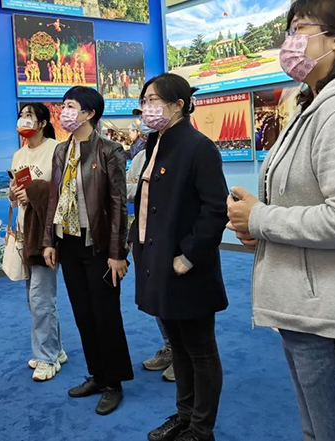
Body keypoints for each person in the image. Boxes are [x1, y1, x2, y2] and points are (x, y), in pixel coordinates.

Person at [228, 1, 335, 439]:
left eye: (299, 28)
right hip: (313, 314)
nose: (288, 42)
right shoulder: (315, 106)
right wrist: (263, 230)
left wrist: (261, 219)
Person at [130, 74, 228, 441]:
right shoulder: (156, 143)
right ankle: (184, 416)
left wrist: (188, 256)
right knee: (180, 350)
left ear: (178, 105)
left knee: (200, 350)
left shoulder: (199, 147)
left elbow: (215, 209)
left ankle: (201, 429)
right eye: (145, 100)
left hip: (187, 268)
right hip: (157, 263)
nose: (147, 107)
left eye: (154, 100)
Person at [43, 86, 133, 416]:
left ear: (89, 113)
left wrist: (117, 252)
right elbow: (54, 198)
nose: (64, 111)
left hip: (98, 245)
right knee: (82, 313)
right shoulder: (60, 150)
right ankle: (97, 375)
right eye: (63, 105)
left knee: (105, 315)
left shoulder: (109, 150)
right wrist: (49, 241)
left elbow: (118, 204)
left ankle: (114, 383)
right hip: (67, 241)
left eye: (70, 106)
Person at [9, 103, 68, 382]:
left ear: (43, 123)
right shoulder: (18, 154)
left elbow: (62, 191)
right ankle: (55, 349)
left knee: (41, 298)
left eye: (29, 116)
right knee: (33, 299)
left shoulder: (56, 150)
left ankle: (47, 357)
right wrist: (14, 194)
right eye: (21, 115)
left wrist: (32, 192)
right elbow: (15, 196)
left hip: (46, 235)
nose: (23, 120)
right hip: (25, 232)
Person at [125, 117, 174, 383]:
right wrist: (147, 187)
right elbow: (126, 188)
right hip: (143, 233)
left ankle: (182, 354)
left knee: (172, 295)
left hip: (170, 236)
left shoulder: (183, 152)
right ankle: (169, 347)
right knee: (153, 294)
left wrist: (144, 186)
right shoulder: (140, 157)